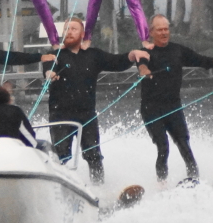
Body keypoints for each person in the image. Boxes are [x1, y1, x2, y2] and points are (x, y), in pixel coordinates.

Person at [42, 18, 149, 183]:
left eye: (74, 29)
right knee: (61, 155)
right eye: (66, 29)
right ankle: (61, 187)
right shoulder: (55, 54)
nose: (69, 32)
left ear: (82, 34)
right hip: (60, 115)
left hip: (87, 115)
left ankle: (98, 187)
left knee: (93, 155)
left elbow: (117, 62)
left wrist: (132, 55)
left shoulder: (93, 55)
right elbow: (48, 66)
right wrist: (50, 73)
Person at [136, 15, 213, 182]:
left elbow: (203, 61)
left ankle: (195, 180)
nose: (164, 32)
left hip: (173, 107)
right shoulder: (145, 51)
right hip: (151, 109)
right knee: (163, 147)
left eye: (166, 29)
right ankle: (161, 184)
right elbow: (141, 63)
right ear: (151, 32)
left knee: (184, 145)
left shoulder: (178, 50)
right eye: (160, 29)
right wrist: (144, 69)